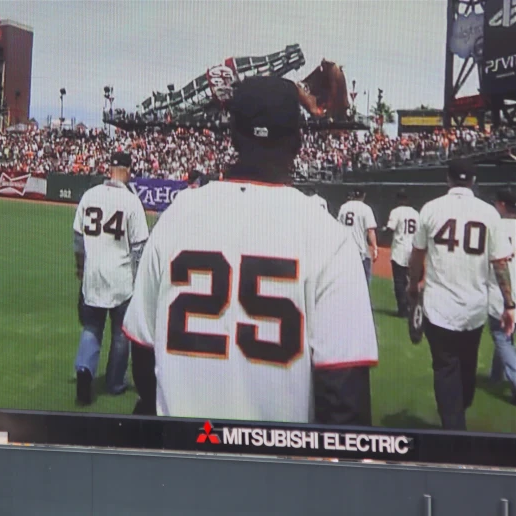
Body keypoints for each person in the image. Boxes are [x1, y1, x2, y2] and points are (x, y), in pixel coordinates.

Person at [122, 76, 378, 425]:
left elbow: (143, 357)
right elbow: (345, 398)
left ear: (232, 136)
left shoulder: (176, 216)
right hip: (278, 471)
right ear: (298, 142)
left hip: (182, 460)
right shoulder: (328, 235)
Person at [408, 159, 516, 430]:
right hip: (474, 309)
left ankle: (453, 424)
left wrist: (413, 284)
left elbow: (417, 254)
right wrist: (509, 304)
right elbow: (500, 263)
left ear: (448, 179)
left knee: (445, 369)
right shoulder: (489, 213)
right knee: (465, 367)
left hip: (438, 306)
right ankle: (456, 422)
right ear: (474, 181)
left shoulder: (431, 208)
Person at [72, 151, 150, 405]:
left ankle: (85, 370)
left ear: (109, 169)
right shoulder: (131, 201)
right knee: (120, 334)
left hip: (93, 277)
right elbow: (139, 247)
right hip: (121, 279)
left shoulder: (89, 195)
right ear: (127, 171)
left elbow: (78, 240)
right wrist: (139, 281)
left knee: (91, 328)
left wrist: (81, 269)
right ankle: (115, 382)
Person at [487, 188, 516, 405]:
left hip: (502, 292)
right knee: (505, 336)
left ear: (504, 205)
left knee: (502, 337)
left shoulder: (494, 226)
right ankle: (496, 375)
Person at [384, 189, 419, 317]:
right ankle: (411, 306)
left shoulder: (396, 212)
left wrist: (384, 231)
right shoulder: (415, 213)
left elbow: (391, 229)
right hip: (412, 250)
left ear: (398, 199)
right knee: (410, 281)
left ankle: (402, 309)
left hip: (399, 249)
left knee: (399, 281)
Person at [337, 187, 378, 286]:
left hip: (345, 249)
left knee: (346, 282)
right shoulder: (366, 208)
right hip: (361, 250)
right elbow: (370, 230)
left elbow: (338, 227)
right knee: (364, 283)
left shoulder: (344, 207)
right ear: (363, 196)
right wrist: (375, 247)